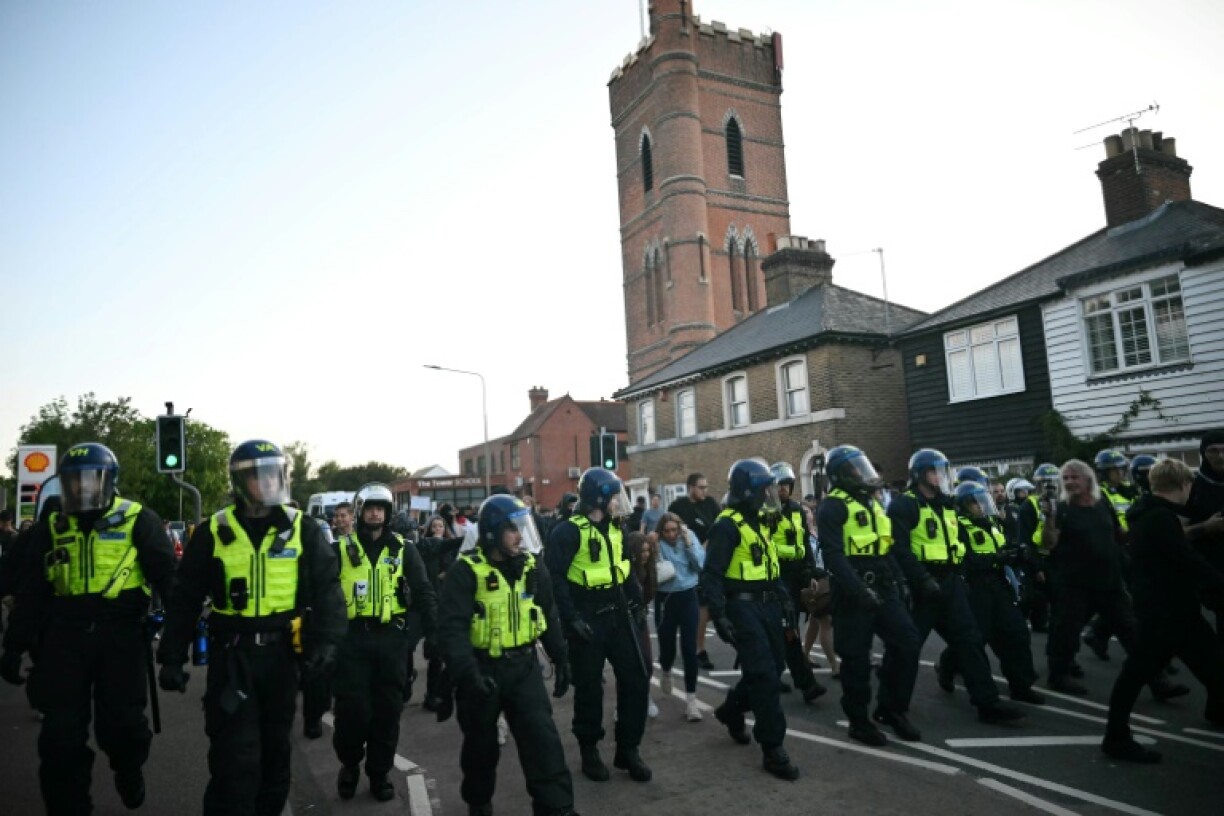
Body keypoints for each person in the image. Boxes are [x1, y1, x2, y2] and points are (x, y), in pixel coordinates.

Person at [157, 440, 346, 816]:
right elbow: (185, 596)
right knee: (234, 759)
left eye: (274, 474)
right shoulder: (213, 530)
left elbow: (328, 592)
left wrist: (328, 645)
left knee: (276, 754)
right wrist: (172, 656)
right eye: (257, 476)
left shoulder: (303, 529)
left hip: (282, 658)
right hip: (233, 657)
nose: (267, 483)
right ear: (240, 483)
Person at [0, 443, 176, 814]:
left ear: (109, 483)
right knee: (59, 740)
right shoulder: (52, 526)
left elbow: (170, 584)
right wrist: (14, 646)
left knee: (123, 729)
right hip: (65, 638)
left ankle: (128, 767)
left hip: (122, 637)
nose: (82, 490)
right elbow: (32, 591)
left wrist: (175, 648)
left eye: (90, 482)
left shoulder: (138, 519)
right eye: (74, 483)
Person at [437, 495, 577, 816]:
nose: (520, 536)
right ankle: (479, 803)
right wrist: (467, 673)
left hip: (524, 668)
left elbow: (547, 613)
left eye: (523, 528)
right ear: (492, 532)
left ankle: (556, 808)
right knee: (480, 751)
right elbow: (452, 629)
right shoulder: (466, 571)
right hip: (481, 671)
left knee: (544, 743)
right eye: (513, 529)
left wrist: (561, 657)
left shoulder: (531, 566)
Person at [888, 449, 1023, 731]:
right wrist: (921, 580)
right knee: (907, 648)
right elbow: (898, 549)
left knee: (970, 641)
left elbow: (958, 543)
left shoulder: (948, 504)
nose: (940, 476)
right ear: (920, 474)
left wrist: (959, 574)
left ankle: (987, 703)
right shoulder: (905, 505)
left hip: (950, 584)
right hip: (922, 587)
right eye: (934, 471)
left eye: (942, 471)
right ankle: (891, 708)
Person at [1102, 459, 1224, 762]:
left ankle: (1218, 709)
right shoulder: (1160, 518)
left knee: (1214, 664)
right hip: (1166, 612)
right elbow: (1186, 560)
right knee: (1135, 674)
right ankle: (1116, 738)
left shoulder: (1149, 513)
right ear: (1184, 485)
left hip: (1171, 610)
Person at [1041, 459, 1188, 700]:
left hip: (1110, 581)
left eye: (1074, 477)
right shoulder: (1061, 509)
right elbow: (1049, 543)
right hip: (1074, 583)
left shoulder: (1102, 503)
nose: (1069, 482)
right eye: (1065, 478)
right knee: (1066, 632)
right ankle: (1058, 675)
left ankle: (1157, 681)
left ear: (1088, 479)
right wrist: (1049, 518)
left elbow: (1118, 534)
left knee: (1132, 630)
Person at [330, 482, 437, 800]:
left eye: (381, 508)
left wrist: (432, 635)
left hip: (391, 640)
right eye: (370, 508)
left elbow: (424, 592)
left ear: (388, 513)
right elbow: (322, 595)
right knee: (352, 713)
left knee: (388, 713)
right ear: (359, 511)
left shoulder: (405, 549)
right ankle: (349, 764)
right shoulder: (340, 549)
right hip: (351, 642)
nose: (376, 513)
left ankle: (379, 773)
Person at [545, 467, 651, 783]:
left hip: (620, 615)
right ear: (599, 499)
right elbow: (556, 580)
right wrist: (571, 619)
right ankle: (589, 749)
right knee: (589, 687)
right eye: (615, 497)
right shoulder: (567, 532)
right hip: (587, 617)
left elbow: (625, 571)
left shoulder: (617, 529)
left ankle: (628, 748)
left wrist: (637, 604)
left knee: (637, 679)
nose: (619, 503)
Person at [702, 458, 800, 780]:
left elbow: (769, 567)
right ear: (748, 492)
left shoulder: (762, 522)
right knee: (764, 676)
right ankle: (773, 749)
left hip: (769, 607)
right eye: (764, 490)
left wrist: (784, 599)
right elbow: (712, 575)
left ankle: (731, 709)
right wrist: (719, 615)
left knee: (772, 669)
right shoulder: (726, 526)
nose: (771, 495)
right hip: (743, 609)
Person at [816, 446, 920, 747]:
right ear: (841, 475)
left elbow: (885, 547)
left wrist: (901, 583)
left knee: (908, 641)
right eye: (855, 469)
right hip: (852, 590)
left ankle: (892, 708)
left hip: (883, 583)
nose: (863, 474)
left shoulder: (873, 503)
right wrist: (859, 591)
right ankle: (859, 721)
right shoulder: (832, 507)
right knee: (856, 658)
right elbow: (834, 557)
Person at [936, 482, 1045, 704]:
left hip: (999, 583)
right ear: (964, 506)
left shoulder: (992, 523)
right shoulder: (958, 527)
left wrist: (1015, 553)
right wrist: (995, 559)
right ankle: (947, 666)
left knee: (1016, 632)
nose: (981, 506)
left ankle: (1021, 685)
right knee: (978, 636)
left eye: (982, 500)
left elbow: (1002, 547)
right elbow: (964, 561)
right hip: (976, 588)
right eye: (975, 502)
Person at [766, 462, 827, 703]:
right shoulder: (766, 512)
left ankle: (777, 674)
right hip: (775, 576)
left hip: (795, 574)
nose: (783, 489)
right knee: (788, 629)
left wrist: (810, 572)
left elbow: (803, 543)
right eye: (778, 485)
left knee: (787, 630)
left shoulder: (797, 511)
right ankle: (805, 682)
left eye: (786, 485)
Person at [652, 512, 705, 721]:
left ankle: (691, 701)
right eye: (667, 531)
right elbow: (650, 570)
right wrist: (653, 545)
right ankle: (666, 669)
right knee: (667, 648)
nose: (671, 535)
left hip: (688, 596)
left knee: (689, 649)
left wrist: (690, 544)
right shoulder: (657, 542)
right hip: (665, 599)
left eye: (674, 530)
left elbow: (700, 565)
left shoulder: (688, 537)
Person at [668, 473, 721, 671]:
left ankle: (695, 644)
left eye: (706, 487)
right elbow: (671, 531)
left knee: (706, 608)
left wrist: (708, 545)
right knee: (699, 607)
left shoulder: (711, 505)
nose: (705, 491)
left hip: (709, 563)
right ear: (690, 487)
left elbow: (719, 526)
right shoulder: (678, 507)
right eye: (701, 487)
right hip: (686, 563)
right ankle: (699, 650)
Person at [418, 514, 465, 712]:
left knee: (445, 649)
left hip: (448, 601)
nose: (438, 528)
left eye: (441, 526)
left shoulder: (451, 548)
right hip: (430, 601)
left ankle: (437, 692)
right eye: (434, 526)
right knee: (434, 651)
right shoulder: (426, 546)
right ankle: (432, 694)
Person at [1185, 431, 1224, 644]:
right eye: (1213, 451)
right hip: (1208, 568)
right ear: (1203, 454)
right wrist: (1207, 527)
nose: (1220, 456)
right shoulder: (1192, 487)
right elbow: (1175, 532)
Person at [799, 501, 838, 679]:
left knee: (815, 620)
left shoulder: (816, 531)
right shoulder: (801, 535)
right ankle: (834, 664)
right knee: (826, 621)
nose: (808, 513)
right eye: (805, 511)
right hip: (813, 580)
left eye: (809, 510)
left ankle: (804, 655)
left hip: (826, 578)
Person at [624, 531, 659, 717]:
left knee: (646, 661)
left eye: (648, 550)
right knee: (629, 666)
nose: (646, 554)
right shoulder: (626, 571)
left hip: (640, 618)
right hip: (625, 622)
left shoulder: (649, 569)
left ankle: (645, 697)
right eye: (642, 551)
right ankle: (624, 706)